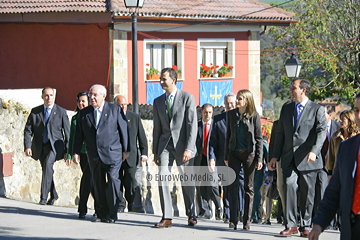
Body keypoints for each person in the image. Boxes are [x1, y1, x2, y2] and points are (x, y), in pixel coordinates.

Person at [268, 79, 326, 237]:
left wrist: (314, 151)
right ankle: (291, 225)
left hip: (309, 158)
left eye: (293, 88)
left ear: (303, 90)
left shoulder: (317, 109)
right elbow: (280, 133)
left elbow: (321, 132)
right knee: (289, 186)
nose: (290, 91)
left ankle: (306, 225)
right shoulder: (286, 108)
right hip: (289, 157)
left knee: (307, 193)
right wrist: (274, 156)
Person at [72, 84, 130, 223]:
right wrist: (75, 152)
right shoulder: (84, 113)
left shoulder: (114, 109)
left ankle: (112, 213)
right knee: (97, 184)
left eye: (95, 95)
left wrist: (126, 150)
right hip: (94, 154)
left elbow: (124, 130)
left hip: (112, 153)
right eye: (90, 95)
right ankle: (101, 213)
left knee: (113, 182)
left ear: (103, 96)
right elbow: (78, 135)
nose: (92, 97)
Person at [309, 93, 360, 240]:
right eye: (356, 110)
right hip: (352, 226)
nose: (359, 115)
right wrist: (319, 224)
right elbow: (335, 190)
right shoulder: (347, 147)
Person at [153, 67, 198, 228]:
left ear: (174, 80)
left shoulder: (187, 98)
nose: (161, 82)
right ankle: (167, 216)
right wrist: (155, 151)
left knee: (186, 180)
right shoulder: (157, 101)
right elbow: (156, 128)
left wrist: (189, 148)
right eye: (160, 78)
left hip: (183, 145)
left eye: (164, 79)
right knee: (163, 176)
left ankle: (191, 214)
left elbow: (192, 126)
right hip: (165, 145)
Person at [224, 89, 263, 230]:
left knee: (248, 187)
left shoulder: (254, 116)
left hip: (249, 154)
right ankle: (233, 220)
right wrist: (226, 156)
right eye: (237, 98)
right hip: (234, 153)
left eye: (240, 99)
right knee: (232, 186)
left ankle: (246, 221)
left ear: (246, 101)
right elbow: (227, 137)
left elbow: (259, 138)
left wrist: (259, 158)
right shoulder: (231, 115)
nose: (237, 101)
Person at [24, 87, 70, 205]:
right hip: (40, 146)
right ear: (42, 97)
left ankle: (43, 197)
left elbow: (68, 133)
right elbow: (28, 130)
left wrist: (68, 151)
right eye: (46, 95)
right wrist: (28, 146)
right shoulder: (35, 111)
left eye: (51, 95)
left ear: (54, 96)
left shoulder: (61, 111)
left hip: (55, 146)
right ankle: (54, 194)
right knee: (46, 169)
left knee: (48, 165)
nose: (49, 98)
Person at [209, 92, 245, 223]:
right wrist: (211, 158)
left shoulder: (242, 117)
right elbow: (213, 141)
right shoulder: (218, 120)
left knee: (240, 185)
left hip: (239, 158)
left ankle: (240, 211)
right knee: (227, 185)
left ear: (236, 103)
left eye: (232, 103)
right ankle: (228, 214)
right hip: (222, 158)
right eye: (227, 103)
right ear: (224, 104)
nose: (230, 105)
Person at [114, 95, 148, 213]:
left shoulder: (134, 117)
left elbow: (141, 136)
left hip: (131, 156)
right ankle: (120, 204)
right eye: (120, 105)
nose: (123, 107)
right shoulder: (111, 117)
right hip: (115, 155)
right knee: (116, 179)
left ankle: (131, 202)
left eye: (125, 105)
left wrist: (144, 153)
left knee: (130, 181)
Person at [66, 91, 95, 219]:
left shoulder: (93, 115)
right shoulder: (75, 118)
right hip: (82, 153)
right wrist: (70, 154)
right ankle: (98, 206)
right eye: (79, 101)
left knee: (89, 177)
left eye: (83, 101)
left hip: (94, 152)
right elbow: (72, 137)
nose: (81, 103)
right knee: (90, 178)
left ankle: (83, 206)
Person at [195, 103, 222, 220]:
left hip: (212, 159)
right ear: (201, 112)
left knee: (212, 185)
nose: (207, 115)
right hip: (200, 159)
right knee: (201, 186)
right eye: (205, 112)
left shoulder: (216, 126)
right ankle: (205, 211)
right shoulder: (197, 126)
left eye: (210, 112)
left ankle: (218, 207)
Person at [313, 106, 339, 220]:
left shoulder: (337, 127)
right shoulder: (315, 126)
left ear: (330, 115)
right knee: (320, 191)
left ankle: (334, 220)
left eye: (323, 114)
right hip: (318, 163)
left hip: (333, 165)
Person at [326, 110, 359, 175]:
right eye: (340, 119)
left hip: (354, 172)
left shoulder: (357, 136)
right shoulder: (335, 137)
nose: (340, 121)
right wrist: (329, 173)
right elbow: (331, 156)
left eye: (343, 119)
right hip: (338, 172)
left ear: (350, 121)